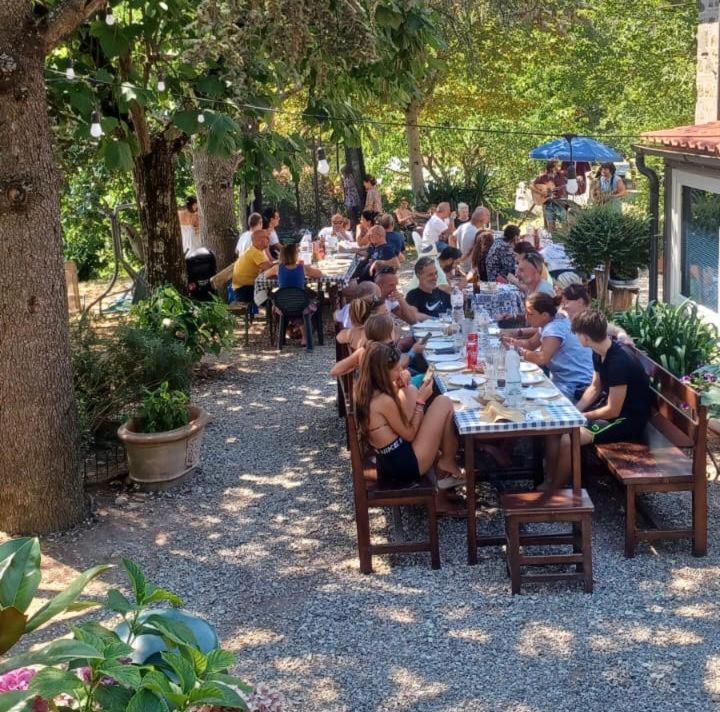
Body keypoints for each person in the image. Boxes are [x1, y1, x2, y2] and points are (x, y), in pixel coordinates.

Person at [544, 310, 651, 489]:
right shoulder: (599, 350)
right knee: (556, 429)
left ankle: (554, 490)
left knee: (568, 438)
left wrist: (583, 417)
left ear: (585, 338)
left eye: (577, 334)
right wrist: (575, 411)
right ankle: (549, 479)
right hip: (612, 412)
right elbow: (595, 387)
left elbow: (613, 411)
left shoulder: (618, 362)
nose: (576, 338)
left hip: (626, 419)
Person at [354, 341, 464, 489]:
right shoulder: (383, 401)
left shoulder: (369, 391)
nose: (401, 371)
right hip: (406, 466)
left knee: (412, 390)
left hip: (389, 461)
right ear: (382, 373)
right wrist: (420, 401)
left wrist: (403, 388)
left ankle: (445, 468)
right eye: (396, 369)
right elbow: (410, 434)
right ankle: (447, 461)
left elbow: (401, 419)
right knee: (444, 402)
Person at [502, 292, 594, 401]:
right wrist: (512, 342)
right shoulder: (551, 321)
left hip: (576, 386)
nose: (526, 318)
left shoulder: (554, 328)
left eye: (530, 314)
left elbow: (542, 358)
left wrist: (517, 350)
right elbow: (531, 344)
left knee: (523, 399)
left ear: (544, 315)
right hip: (565, 382)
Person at [263, 242, 323, 347]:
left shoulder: (277, 268)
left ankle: (285, 331)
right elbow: (319, 273)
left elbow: (265, 275)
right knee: (306, 307)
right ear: (296, 255)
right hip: (301, 304)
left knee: (276, 306)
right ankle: (305, 336)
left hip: (283, 305)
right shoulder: (302, 267)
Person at [231, 229, 273, 303]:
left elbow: (267, 267)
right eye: (266, 237)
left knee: (271, 294)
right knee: (272, 298)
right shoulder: (255, 252)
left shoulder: (256, 250)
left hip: (245, 287)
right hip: (243, 290)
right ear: (260, 241)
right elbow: (270, 268)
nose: (269, 239)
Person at [531, 161, 567, 232]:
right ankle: (551, 239)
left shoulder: (561, 175)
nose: (559, 167)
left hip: (560, 202)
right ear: (552, 168)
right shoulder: (543, 177)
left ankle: (564, 239)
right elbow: (531, 186)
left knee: (564, 222)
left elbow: (571, 175)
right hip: (548, 202)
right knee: (550, 223)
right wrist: (540, 192)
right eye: (557, 166)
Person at [341, 165, 362, 230]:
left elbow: (345, 188)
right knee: (353, 212)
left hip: (350, 197)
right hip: (353, 197)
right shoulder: (352, 177)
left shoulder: (347, 178)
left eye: (343, 173)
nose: (343, 174)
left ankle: (353, 225)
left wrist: (344, 197)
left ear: (345, 172)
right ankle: (354, 224)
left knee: (351, 213)